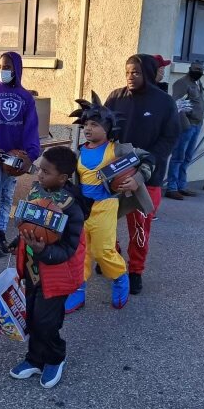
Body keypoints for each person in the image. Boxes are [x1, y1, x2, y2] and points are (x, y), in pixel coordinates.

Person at [8, 146, 86, 389]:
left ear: (63, 178)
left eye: (46, 172)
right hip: (32, 271)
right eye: (40, 169)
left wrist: (43, 251)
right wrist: (16, 241)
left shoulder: (72, 208)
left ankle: (55, 358)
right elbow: (28, 225)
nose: (39, 174)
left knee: (46, 321)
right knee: (31, 316)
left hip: (56, 276)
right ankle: (34, 358)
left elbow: (69, 249)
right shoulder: (36, 191)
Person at [105, 54, 179, 295]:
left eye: (135, 72)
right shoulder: (116, 97)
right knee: (104, 222)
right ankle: (112, 259)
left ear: (147, 73)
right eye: (127, 72)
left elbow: (169, 138)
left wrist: (143, 166)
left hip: (147, 178)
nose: (130, 77)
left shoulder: (164, 102)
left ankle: (135, 271)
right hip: (114, 174)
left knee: (139, 228)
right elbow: (101, 127)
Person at [68, 100, 135, 310]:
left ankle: (120, 277)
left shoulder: (117, 149)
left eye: (94, 124)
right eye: (86, 124)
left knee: (102, 250)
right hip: (82, 208)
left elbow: (147, 160)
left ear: (107, 129)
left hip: (106, 205)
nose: (88, 128)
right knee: (80, 250)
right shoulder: (79, 150)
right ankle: (78, 290)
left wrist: (136, 180)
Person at [0, 52, 40, 258]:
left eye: (8, 67)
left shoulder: (26, 97)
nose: (3, 70)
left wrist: (29, 156)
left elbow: (31, 129)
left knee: (6, 198)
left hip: (12, 159)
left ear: (17, 69)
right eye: (1, 66)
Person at [166, 61, 204, 200]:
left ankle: (181, 186)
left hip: (196, 125)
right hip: (186, 126)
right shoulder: (182, 83)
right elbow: (177, 105)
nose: (198, 71)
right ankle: (172, 188)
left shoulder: (197, 83)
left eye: (200, 69)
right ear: (189, 69)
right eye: (195, 69)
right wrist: (186, 125)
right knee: (178, 157)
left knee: (187, 157)